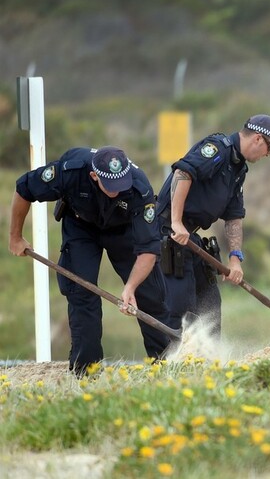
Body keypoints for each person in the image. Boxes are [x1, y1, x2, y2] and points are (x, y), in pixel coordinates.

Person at [9, 146, 170, 376]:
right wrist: (15, 237)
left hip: (123, 230)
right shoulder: (71, 171)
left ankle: (165, 366)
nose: (117, 190)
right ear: (94, 176)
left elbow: (148, 250)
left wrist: (130, 288)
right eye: (111, 186)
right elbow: (24, 188)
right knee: (83, 296)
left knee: (150, 294)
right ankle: (86, 374)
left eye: (121, 184)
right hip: (81, 226)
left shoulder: (138, 187)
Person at [155, 114, 270, 333]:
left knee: (210, 304)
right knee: (182, 307)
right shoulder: (217, 149)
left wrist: (235, 259)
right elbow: (183, 172)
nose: (268, 155)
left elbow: (234, 216)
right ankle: (176, 362)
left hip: (191, 235)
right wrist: (176, 222)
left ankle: (209, 360)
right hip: (170, 233)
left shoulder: (239, 169)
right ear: (257, 139)